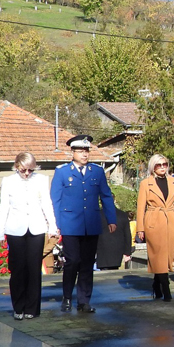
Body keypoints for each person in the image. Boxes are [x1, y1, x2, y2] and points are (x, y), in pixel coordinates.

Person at [50, 135, 117, 314]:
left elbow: (106, 196)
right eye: (80, 151)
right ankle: (67, 297)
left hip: (91, 224)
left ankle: (84, 301)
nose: (85, 155)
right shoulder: (62, 172)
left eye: (87, 151)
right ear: (72, 152)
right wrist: (55, 224)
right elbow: (55, 200)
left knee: (87, 264)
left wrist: (111, 219)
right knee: (73, 261)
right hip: (70, 224)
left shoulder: (96, 171)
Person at [0, 152, 58, 320]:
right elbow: (4, 207)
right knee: (17, 269)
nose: (27, 174)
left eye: (30, 170)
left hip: (36, 229)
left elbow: (47, 203)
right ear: (17, 166)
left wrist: (52, 226)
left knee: (33, 269)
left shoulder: (41, 179)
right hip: (15, 229)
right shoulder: (9, 181)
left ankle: (32, 307)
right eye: (23, 170)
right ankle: (18, 306)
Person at [136, 154, 174, 302]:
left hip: (170, 220)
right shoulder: (146, 183)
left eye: (165, 164)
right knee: (158, 255)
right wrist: (140, 228)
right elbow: (140, 208)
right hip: (154, 221)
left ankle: (156, 284)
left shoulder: (173, 182)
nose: (163, 167)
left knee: (168, 255)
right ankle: (166, 288)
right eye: (159, 165)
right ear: (153, 167)